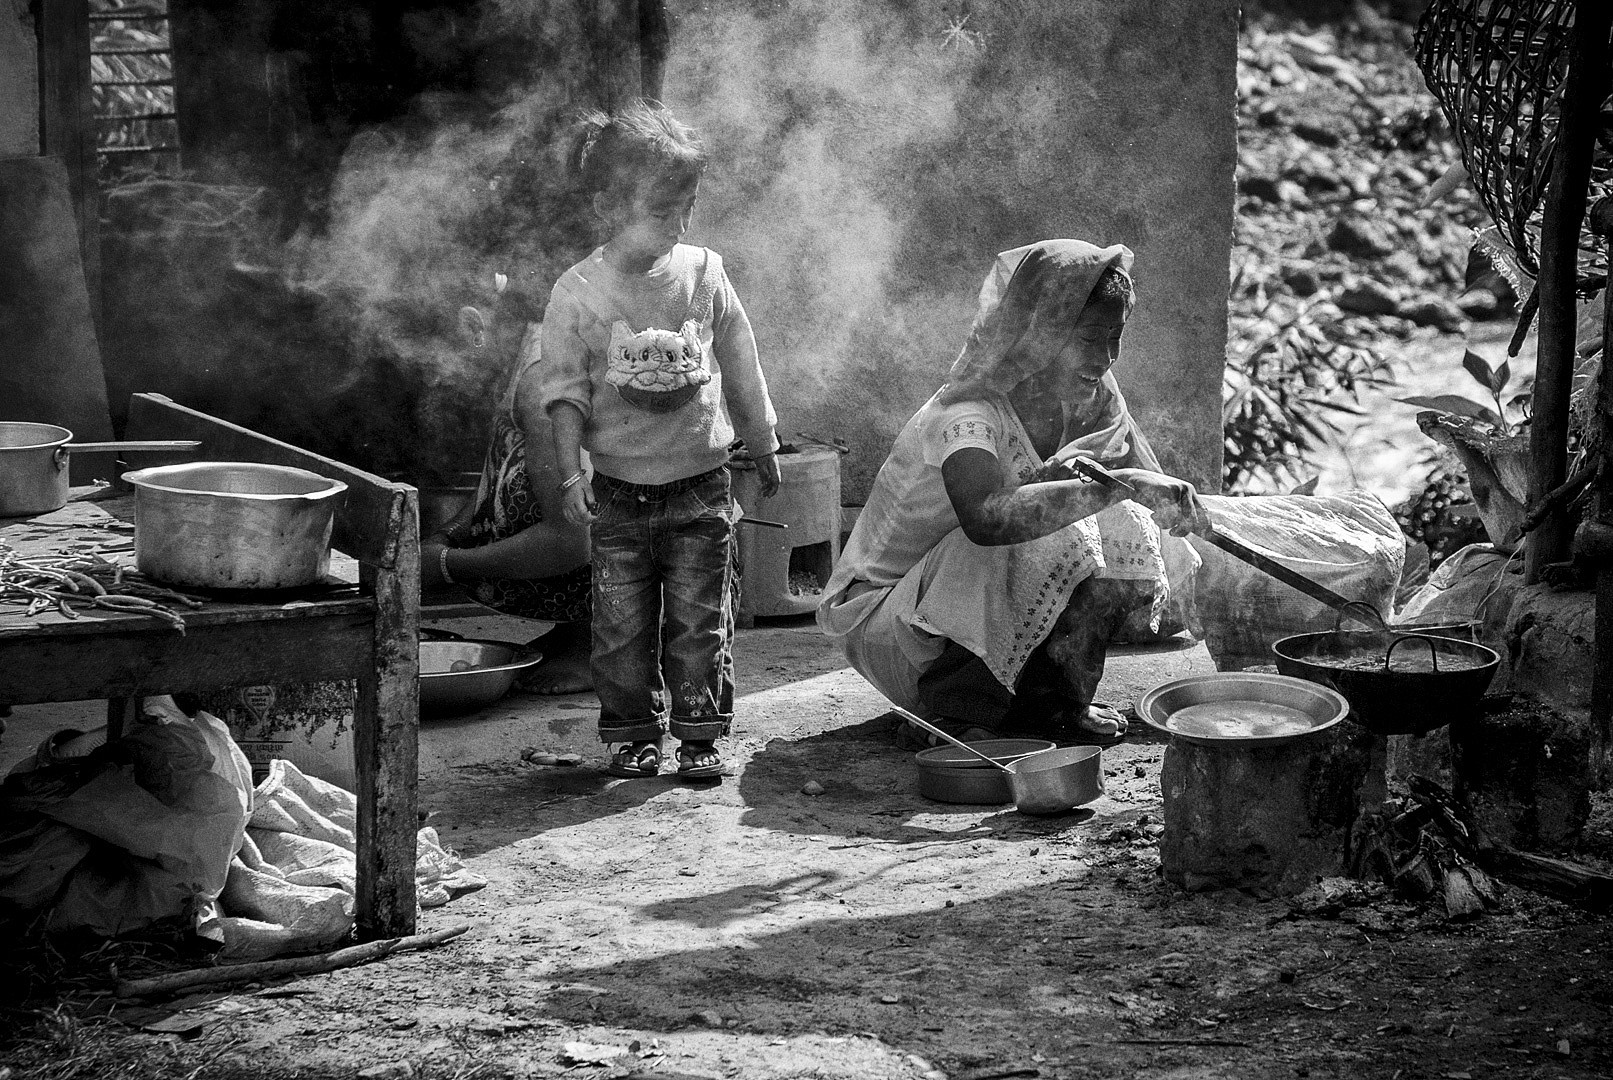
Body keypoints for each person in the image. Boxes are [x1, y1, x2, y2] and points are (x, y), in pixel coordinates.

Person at [817, 239, 1206, 748]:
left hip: (967, 608)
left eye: (1115, 338)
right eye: (1089, 339)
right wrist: (1124, 486)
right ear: (1039, 335)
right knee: (1051, 524)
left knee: (1122, 519)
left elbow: (1152, 508)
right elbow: (985, 518)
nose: (1105, 358)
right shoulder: (968, 413)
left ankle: (1054, 705)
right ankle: (956, 713)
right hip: (893, 625)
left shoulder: (1089, 399)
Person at [537, 101, 782, 779]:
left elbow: (740, 359)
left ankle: (699, 735)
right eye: (662, 210)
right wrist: (570, 474)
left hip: (702, 487)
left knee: (699, 622)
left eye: (687, 207)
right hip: (617, 494)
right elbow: (565, 391)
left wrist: (762, 441)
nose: (678, 225)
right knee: (620, 627)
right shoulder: (577, 290)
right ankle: (633, 733)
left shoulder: (704, 272)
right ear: (608, 205)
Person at [421, 324, 596, 695]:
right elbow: (499, 469)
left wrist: (448, 565)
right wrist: (449, 534)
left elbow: (571, 539)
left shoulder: (543, 373)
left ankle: (595, 639)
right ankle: (573, 630)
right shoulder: (527, 344)